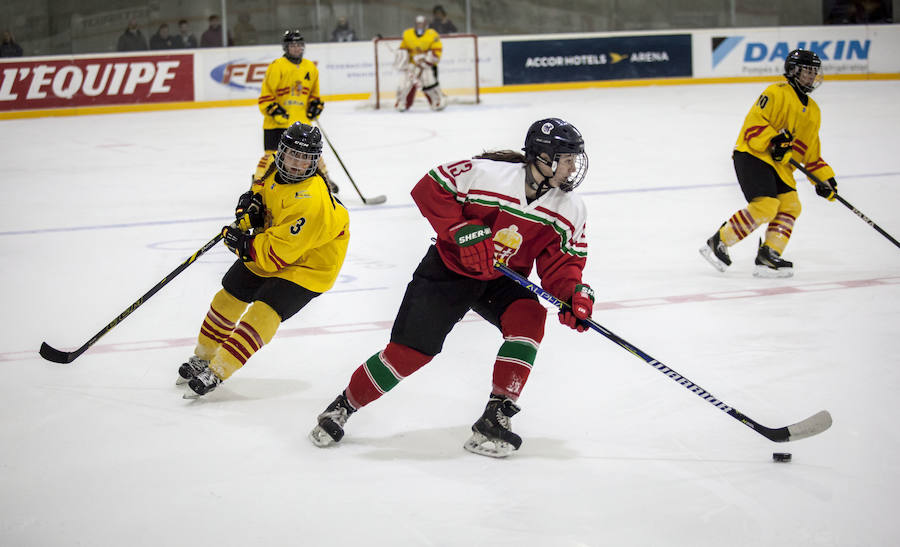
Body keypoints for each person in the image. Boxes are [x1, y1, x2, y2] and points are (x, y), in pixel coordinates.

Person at [309, 118, 594, 458]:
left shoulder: (569, 208)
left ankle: (496, 415)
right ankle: (342, 406)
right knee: (410, 354)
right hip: (449, 270)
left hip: (502, 278)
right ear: (543, 158)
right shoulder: (487, 174)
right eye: (566, 159)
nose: (573, 167)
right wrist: (460, 230)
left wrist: (572, 293)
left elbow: (562, 264)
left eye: (575, 159)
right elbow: (430, 187)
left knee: (530, 317)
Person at [177, 122, 350, 398]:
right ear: (281, 152)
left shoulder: (311, 200)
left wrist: (243, 244)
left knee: (263, 311)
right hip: (277, 243)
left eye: (305, 159)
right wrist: (250, 205)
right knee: (228, 296)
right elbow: (261, 191)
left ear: (315, 162)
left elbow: (273, 257)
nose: (296, 165)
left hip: (311, 265)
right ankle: (204, 355)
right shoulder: (271, 167)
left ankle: (220, 368)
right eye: (292, 155)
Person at [700, 49, 838, 278]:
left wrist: (824, 178)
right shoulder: (776, 92)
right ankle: (718, 242)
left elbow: (811, 152)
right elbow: (754, 123)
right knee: (766, 206)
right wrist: (774, 139)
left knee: (791, 205)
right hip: (753, 155)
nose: (812, 77)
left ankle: (768, 255)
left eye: (815, 72)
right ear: (793, 71)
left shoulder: (813, 111)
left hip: (780, 166)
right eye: (807, 72)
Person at [258, 29, 339, 193]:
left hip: (301, 123)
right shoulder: (277, 66)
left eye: (299, 45)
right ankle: (259, 183)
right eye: (292, 45)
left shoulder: (310, 67)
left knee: (310, 155)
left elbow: (314, 95)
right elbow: (266, 96)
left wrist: (315, 105)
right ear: (286, 47)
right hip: (277, 124)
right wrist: (274, 110)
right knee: (271, 157)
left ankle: (324, 179)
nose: (296, 48)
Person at [395, 15, 445, 111]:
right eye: (418, 24)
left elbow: (437, 50)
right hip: (413, 65)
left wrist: (428, 60)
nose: (420, 26)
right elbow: (403, 48)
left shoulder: (432, 34)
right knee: (407, 84)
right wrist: (403, 57)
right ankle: (403, 103)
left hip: (427, 64)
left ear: (426, 24)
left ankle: (436, 102)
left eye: (422, 24)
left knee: (429, 83)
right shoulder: (407, 34)